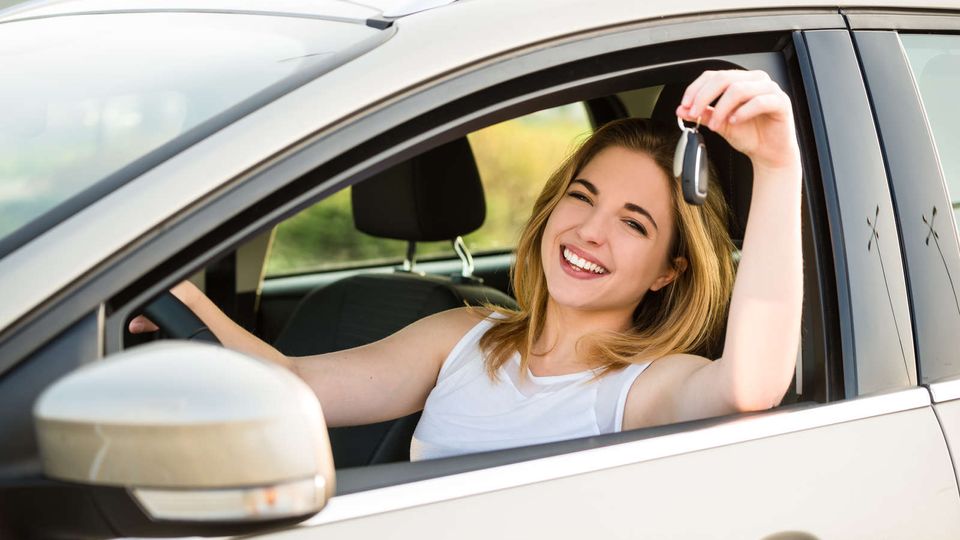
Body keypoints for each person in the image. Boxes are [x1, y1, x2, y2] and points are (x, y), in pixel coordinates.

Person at [130, 69, 802, 461]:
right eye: (582, 197)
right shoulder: (467, 334)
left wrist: (775, 167)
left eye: (633, 223)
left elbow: (748, 388)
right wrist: (162, 296)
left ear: (668, 270)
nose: (589, 232)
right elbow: (291, 384)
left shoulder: (645, 388)